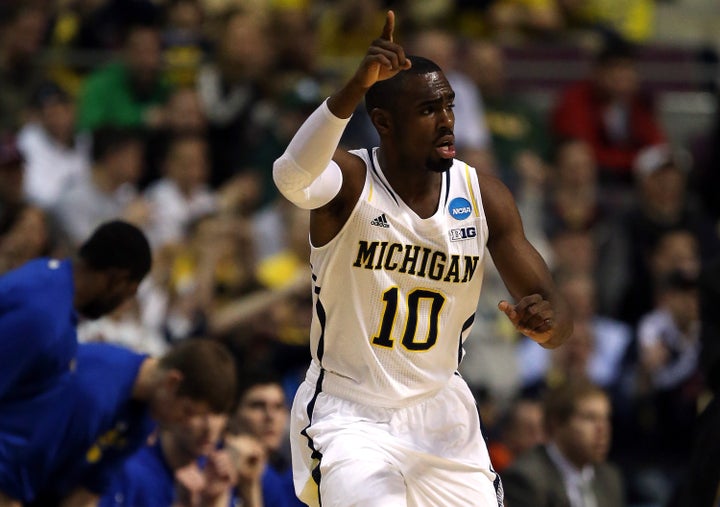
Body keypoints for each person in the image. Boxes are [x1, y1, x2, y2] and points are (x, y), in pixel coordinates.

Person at [271, 11, 572, 506]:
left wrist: (546, 326)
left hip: (441, 412)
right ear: (384, 123)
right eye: (429, 109)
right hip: (351, 415)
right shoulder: (348, 182)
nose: (447, 119)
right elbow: (290, 177)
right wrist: (356, 85)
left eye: (449, 105)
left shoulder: (484, 196)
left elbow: (558, 316)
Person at [26, 339, 238, 507]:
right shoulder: (97, 391)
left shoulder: (144, 415)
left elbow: (90, 489)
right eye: (187, 412)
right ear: (172, 382)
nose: (181, 422)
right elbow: (19, 468)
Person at [501, 380, 625, 507]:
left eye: (605, 419)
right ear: (556, 424)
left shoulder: (609, 478)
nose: (602, 429)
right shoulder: (526, 479)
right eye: (590, 418)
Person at [229, 368, 305, 507]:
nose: (270, 416)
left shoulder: (293, 481)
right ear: (232, 413)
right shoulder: (212, 469)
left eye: (278, 407)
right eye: (257, 406)